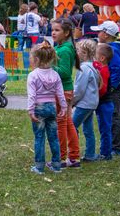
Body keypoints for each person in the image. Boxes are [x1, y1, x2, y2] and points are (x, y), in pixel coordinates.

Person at [27, 42, 67, 174]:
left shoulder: (33, 75)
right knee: (53, 137)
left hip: (39, 109)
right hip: (52, 108)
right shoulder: (55, 75)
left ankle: (39, 166)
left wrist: (31, 110)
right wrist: (64, 108)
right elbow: (60, 94)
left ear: (37, 59)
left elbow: (32, 95)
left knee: (39, 137)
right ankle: (56, 165)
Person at [91, 20, 120, 155]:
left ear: (106, 35)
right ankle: (114, 144)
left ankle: (117, 146)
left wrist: (110, 86)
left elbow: (117, 69)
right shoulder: (109, 47)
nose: (97, 33)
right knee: (110, 115)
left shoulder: (112, 49)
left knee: (113, 116)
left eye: (100, 31)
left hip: (112, 89)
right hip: (110, 87)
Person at [51, 18, 81, 168]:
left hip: (62, 90)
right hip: (63, 90)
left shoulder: (65, 50)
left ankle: (61, 158)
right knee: (68, 122)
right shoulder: (61, 48)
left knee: (61, 124)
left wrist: (47, 65)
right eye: (52, 30)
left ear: (67, 32)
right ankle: (74, 157)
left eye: (57, 30)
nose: (53, 33)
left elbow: (64, 72)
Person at [72, 39, 100, 162]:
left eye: (77, 50)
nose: (75, 52)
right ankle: (90, 154)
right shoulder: (93, 68)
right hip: (92, 103)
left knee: (71, 127)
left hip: (84, 104)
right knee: (88, 130)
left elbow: (79, 89)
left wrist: (72, 102)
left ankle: (73, 153)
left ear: (84, 53)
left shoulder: (83, 69)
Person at [93, 43, 113, 160]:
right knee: (103, 127)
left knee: (105, 129)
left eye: (95, 56)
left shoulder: (104, 71)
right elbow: (94, 64)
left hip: (104, 104)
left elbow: (103, 89)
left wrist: (95, 96)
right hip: (103, 104)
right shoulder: (101, 67)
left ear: (102, 58)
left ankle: (106, 153)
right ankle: (105, 152)